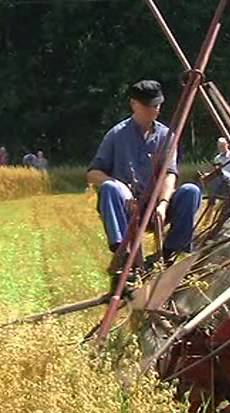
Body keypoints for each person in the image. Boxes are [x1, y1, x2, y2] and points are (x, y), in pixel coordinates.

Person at [87, 79, 202, 270]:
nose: (155, 110)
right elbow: (92, 173)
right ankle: (123, 254)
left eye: (157, 105)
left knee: (191, 191)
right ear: (134, 104)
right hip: (128, 206)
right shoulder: (116, 135)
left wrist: (163, 204)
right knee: (109, 188)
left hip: (157, 206)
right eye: (149, 106)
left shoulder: (167, 136)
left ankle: (170, 252)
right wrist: (119, 186)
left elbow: (170, 173)